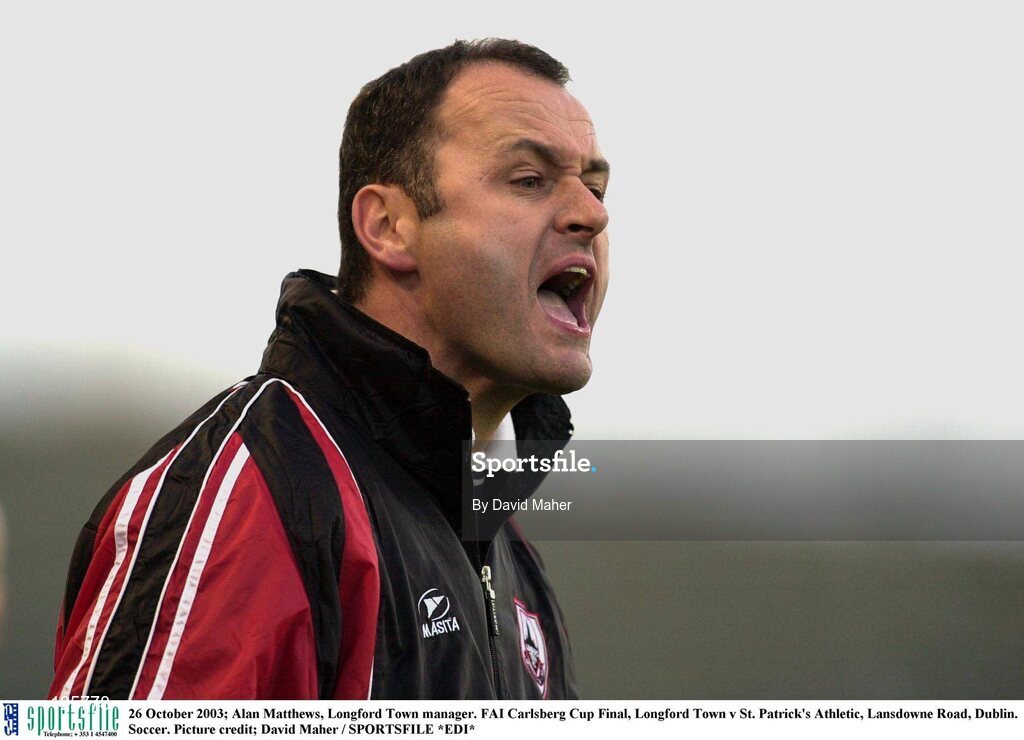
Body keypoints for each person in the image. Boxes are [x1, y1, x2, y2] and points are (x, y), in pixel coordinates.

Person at [50, 38, 610, 700]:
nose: (591, 214)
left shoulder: (511, 556)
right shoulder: (256, 487)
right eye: (529, 180)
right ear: (389, 227)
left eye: (596, 188)